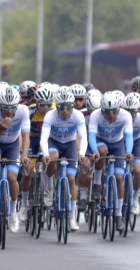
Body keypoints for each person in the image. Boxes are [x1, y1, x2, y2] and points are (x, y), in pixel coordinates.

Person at [0, 86, 30, 233]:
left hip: (13, 145)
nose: (9, 111)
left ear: (18, 105)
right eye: (5, 107)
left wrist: (24, 155)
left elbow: (25, 135)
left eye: (12, 107)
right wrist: (1, 129)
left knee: (12, 178)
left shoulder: (23, 111)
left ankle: (13, 213)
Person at [40, 90, 87, 231]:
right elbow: (44, 137)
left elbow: (83, 137)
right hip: (54, 142)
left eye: (68, 107)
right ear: (57, 106)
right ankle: (49, 188)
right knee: (52, 159)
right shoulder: (50, 115)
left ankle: (72, 217)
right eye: (61, 107)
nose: (65, 111)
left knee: (71, 179)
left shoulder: (78, 116)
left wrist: (82, 154)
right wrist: (45, 153)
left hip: (70, 145)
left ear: (73, 105)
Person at [88, 91, 134, 231]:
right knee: (101, 152)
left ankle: (119, 215)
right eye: (107, 112)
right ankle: (97, 183)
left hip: (118, 144)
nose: (111, 115)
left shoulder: (125, 115)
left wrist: (128, 152)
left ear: (119, 109)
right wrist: (94, 151)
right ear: (102, 110)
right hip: (101, 142)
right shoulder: (95, 115)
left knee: (119, 177)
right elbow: (91, 136)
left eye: (114, 112)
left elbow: (129, 136)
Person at [18, 86, 55, 223]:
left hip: (48, 140)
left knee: (52, 161)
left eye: (48, 104)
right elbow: (22, 133)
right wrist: (23, 153)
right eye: (42, 104)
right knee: (28, 168)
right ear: (36, 102)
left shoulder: (55, 112)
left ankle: (49, 189)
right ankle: (25, 204)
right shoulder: (30, 112)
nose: (45, 108)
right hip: (32, 141)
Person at [121, 93, 140, 215]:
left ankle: (135, 198)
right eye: (127, 112)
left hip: (137, 144)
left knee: (138, 170)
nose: (129, 116)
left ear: (138, 110)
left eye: (132, 113)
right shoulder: (119, 118)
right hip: (122, 142)